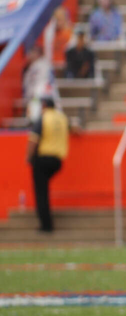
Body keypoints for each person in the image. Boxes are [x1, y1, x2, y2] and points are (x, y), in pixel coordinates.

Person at [28, 92, 69, 233]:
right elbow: (72, 128)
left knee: (41, 192)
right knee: (43, 189)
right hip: (58, 161)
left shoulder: (43, 118)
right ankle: (47, 223)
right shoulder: (62, 118)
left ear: (44, 105)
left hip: (43, 159)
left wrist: (29, 157)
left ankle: (46, 225)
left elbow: (33, 140)